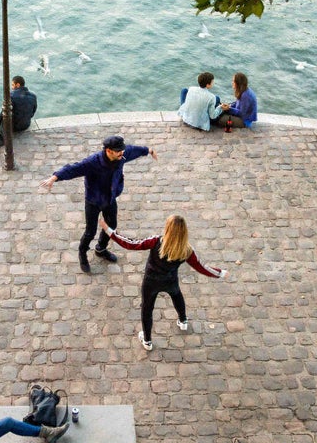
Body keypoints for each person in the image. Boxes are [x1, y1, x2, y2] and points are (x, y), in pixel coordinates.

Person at [100, 213, 225, 351]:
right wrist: (219, 273)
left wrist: (109, 231)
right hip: (170, 280)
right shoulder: (187, 250)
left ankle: (147, 340)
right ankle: (183, 320)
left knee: (147, 309)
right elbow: (201, 267)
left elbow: (131, 244)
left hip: (150, 282)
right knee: (177, 296)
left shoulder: (156, 241)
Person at [43, 134, 157, 272]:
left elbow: (134, 150)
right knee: (90, 232)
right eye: (118, 151)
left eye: (122, 150)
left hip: (110, 198)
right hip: (94, 201)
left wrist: (148, 150)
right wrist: (55, 177)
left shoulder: (122, 155)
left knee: (112, 225)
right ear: (108, 151)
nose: (122, 153)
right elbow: (74, 168)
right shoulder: (93, 162)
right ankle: (82, 253)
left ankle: (101, 249)